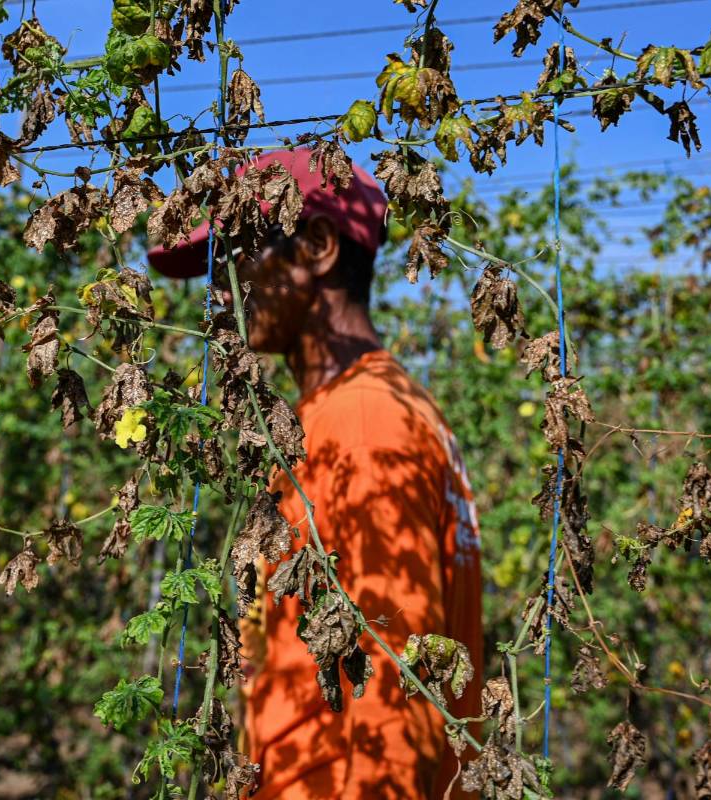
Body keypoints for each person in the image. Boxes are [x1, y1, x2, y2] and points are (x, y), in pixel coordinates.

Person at [148, 148, 482, 800]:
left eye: (235, 253)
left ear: (319, 245)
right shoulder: (382, 406)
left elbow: (375, 706)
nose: (219, 290)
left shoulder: (359, 424)